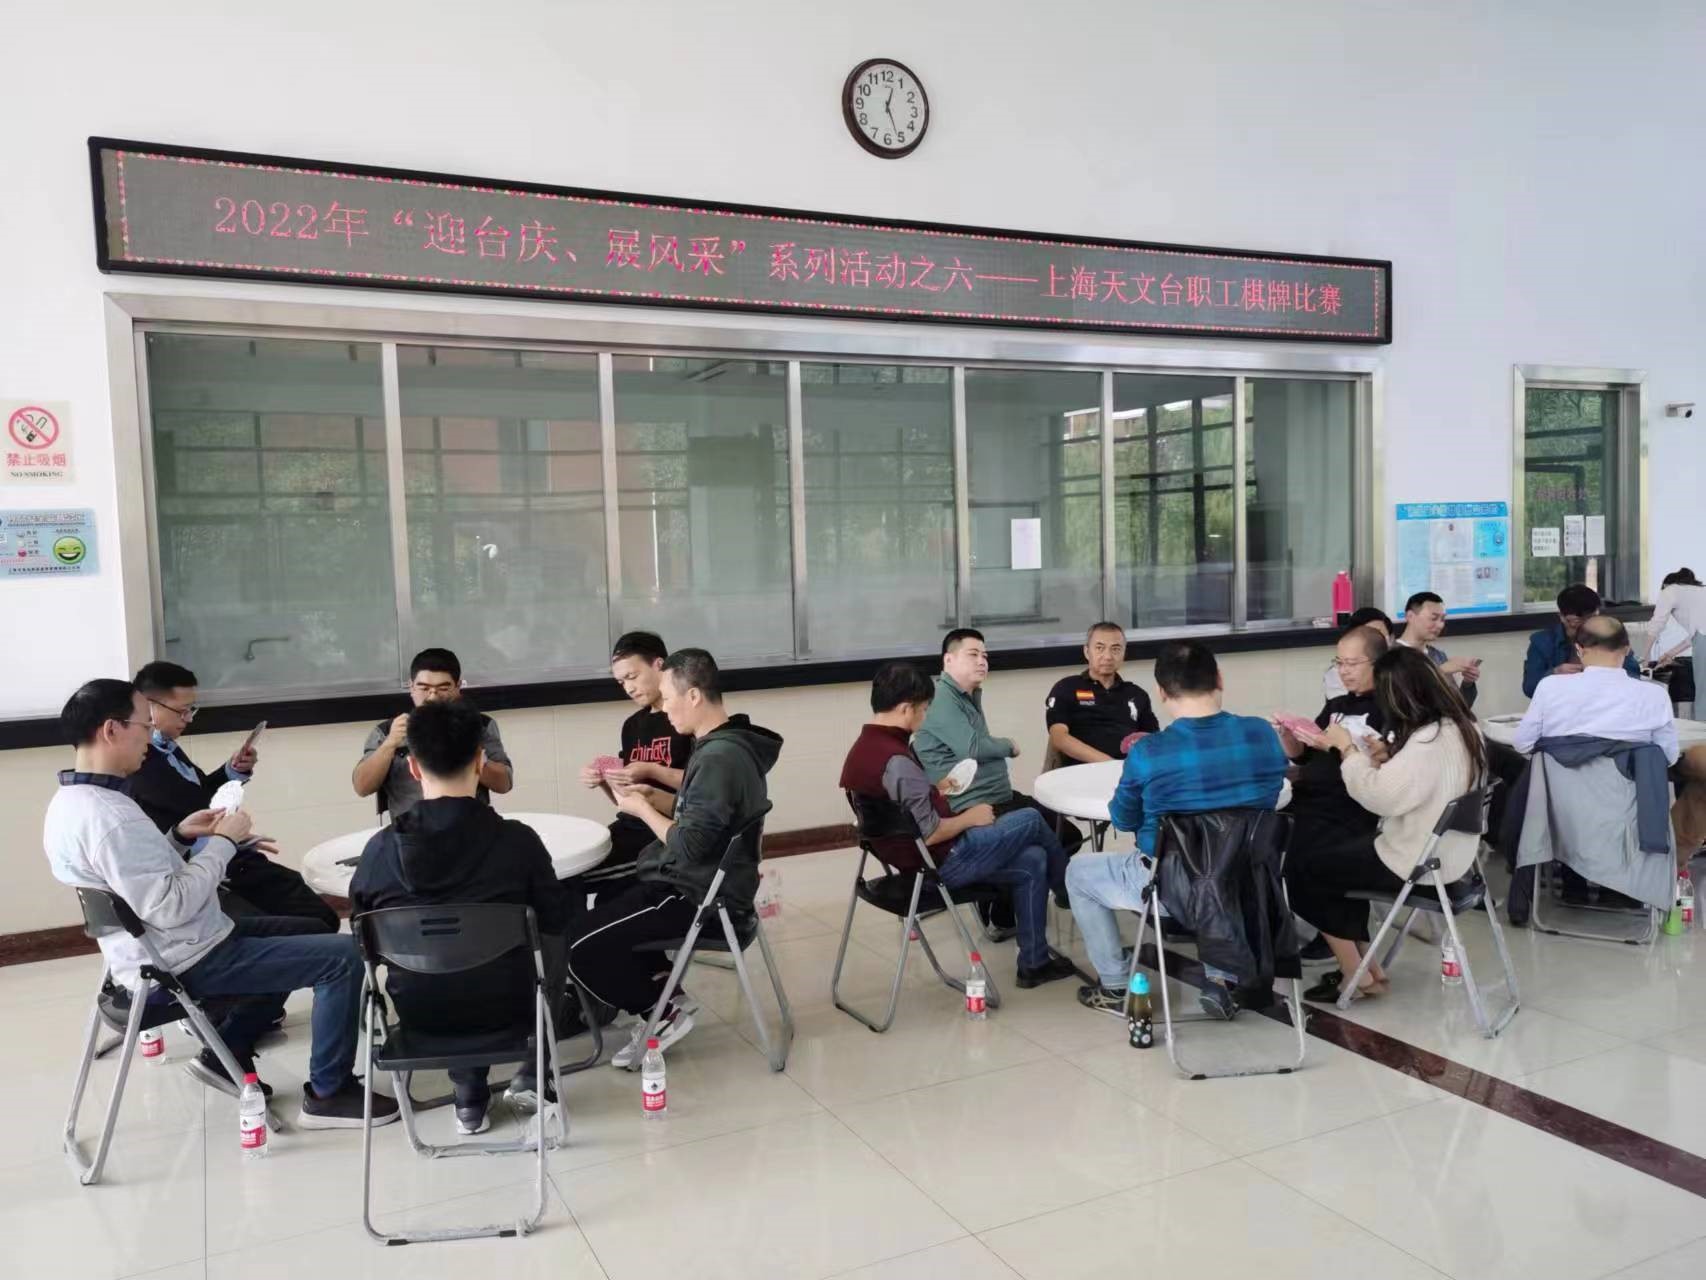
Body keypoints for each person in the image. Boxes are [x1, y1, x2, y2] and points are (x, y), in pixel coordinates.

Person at [43, 679, 397, 1128]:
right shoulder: (111, 817)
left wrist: (178, 836)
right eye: (143, 725)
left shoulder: (72, 803)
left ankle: (226, 1049)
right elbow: (171, 905)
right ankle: (329, 1093)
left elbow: (138, 879)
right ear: (111, 730)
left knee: (304, 928)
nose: (149, 738)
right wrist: (222, 843)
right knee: (345, 957)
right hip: (184, 958)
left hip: (169, 945)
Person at [349, 699, 566, 1135]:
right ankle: (534, 1068)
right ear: (480, 761)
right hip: (512, 1010)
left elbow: (362, 937)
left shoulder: (380, 850)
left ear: (413, 768)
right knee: (555, 935)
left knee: (445, 963)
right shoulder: (519, 842)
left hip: (419, 1015)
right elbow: (556, 919)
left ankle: (469, 1095)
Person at [566, 649, 781, 1068]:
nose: (663, 708)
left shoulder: (718, 757)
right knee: (610, 905)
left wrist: (642, 810)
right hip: (708, 884)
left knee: (578, 947)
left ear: (694, 695)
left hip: (699, 896)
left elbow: (689, 846)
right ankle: (665, 991)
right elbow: (702, 817)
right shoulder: (730, 744)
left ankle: (661, 1012)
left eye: (667, 698)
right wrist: (656, 797)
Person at [1068, 640, 1289, 1020]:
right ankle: (1222, 976)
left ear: (1161, 691)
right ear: (1219, 679)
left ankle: (1116, 985)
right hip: (1251, 886)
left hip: (1174, 891)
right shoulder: (1261, 734)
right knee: (1221, 859)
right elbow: (1269, 796)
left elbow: (1123, 819)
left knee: (1078, 872)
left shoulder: (1150, 752)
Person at [841, 662, 1076, 988]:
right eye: (924, 709)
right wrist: (971, 817)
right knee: (1031, 818)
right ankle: (1070, 892)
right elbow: (931, 833)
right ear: (906, 709)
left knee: (1033, 859)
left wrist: (935, 789)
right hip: (941, 863)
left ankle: (1034, 964)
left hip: (908, 861)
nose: (925, 718)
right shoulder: (897, 760)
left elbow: (900, 809)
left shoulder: (863, 750)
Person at [1285, 647, 1486, 1003]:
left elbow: (1378, 798)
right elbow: (1424, 782)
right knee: (1332, 862)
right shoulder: (1462, 728)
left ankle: (1356, 973)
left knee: (1304, 869)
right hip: (1454, 858)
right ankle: (1367, 969)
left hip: (1415, 861)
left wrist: (1349, 751)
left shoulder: (1427, 742)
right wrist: (1387, 756)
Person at [126, 661, 336, 933]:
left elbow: (198, 793)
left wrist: (232, 771)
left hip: (227, 858)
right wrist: (232, 835)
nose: (189, 718)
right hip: (210, 872)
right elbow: (197, 804)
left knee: (314, 911)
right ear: (149, 707)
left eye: (192, 709)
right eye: (182, 711)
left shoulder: (166, 747)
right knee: (314, 921)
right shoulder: (140, 760)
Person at [1278, 626, 1391, 961]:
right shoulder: (1337, 705)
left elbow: (1384, 765)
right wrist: (1293, 742)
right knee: (1281, 851)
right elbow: (1309, 758)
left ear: (1377, 663)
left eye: (1352, 663)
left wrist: (1343, 746)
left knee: (1306, 868)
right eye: (1338, 663)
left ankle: (1352, 965)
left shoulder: (1389, 707)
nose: (1343, 671)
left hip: (1350, 805)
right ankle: (1359, 966)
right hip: (1311, 797)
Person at [914, 629, 1081, 850]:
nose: (981, 661)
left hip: (998, 797)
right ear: (948, 659)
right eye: (973, 655)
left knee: (1067, 835)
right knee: (1057, 841)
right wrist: (1009, 746)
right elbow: (973, 748)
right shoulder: (941, 698)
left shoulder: (966, 696)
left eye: (984, 656)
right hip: (973, 806)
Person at [575, 631, 693, 905]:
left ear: (659, 665)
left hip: (662, 835)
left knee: (568, 877)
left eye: (632, 676)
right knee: (566, 866)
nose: (628, 688)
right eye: (621, 682)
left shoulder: (687, 719)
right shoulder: (632, 725)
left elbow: (704, 784)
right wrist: (604, 779)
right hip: (629, 825)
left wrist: (651, 770)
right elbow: (626, 800)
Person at [352, 648, 513, 819]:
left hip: (470, 826)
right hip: (409, 829)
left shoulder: (479, 726)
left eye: (443, 689)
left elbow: (504, 784)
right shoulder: (388, 731)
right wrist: (390, 744)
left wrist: (470, 750)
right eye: (424, 688)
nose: (433, 697)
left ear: (458, 687)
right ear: (412, 687)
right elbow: (362, 787)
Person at [1513, 615, 1679, 762]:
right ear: (1627, 650)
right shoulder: (1655, 695)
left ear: (1579, 649)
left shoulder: (1549, 687)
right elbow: (1668, 755)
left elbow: (1523, 744)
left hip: (1561, 787)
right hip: (1630, 787)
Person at [1043, 622, 1160, 764]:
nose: (1108, 656)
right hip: (1080, 771)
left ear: (1123, 653)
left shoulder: (1137, 694)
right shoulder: (1067, 687)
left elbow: (1154, 741)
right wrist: (1109, 764)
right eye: (1100, 648)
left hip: (1128, 772)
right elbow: (1058, 738)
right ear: (1087, 652)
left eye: (1115, 649)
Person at [1522, 584, 1640, 698]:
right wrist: (1554, 673)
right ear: (1562, 617)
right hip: (1562, 703)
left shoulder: (1609, 635)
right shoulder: (1542, 642)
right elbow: (1529, 688)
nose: (1586, 626)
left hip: (1605, 701)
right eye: (1577, 622)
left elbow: (1634, 675)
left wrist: (1608, 674)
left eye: (1591, 618)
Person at [1395, 592, 1480, 709]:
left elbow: (1458, 708)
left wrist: (1467, 683)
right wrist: (1441, 671)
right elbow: (1402, 702)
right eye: (1433, 618)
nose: (1440, 625)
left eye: (1443, 619)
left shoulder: (1438, 656)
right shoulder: (1391, 655)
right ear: (1410, 616)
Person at [1646, 568, 1706, 711]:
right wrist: (1669, 654)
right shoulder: (1701, 592)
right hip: (1700, 641)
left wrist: (1645, 656)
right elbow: (1695, 637)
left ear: (1665, 585)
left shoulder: (1669, 590)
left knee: (1703, 699)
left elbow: (1656, 624)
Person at [1322, 608, 1393, 700]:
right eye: (1369, 633)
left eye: (1380, 633)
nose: (1376, 638)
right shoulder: (1337, 673)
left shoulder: (1397, 667)